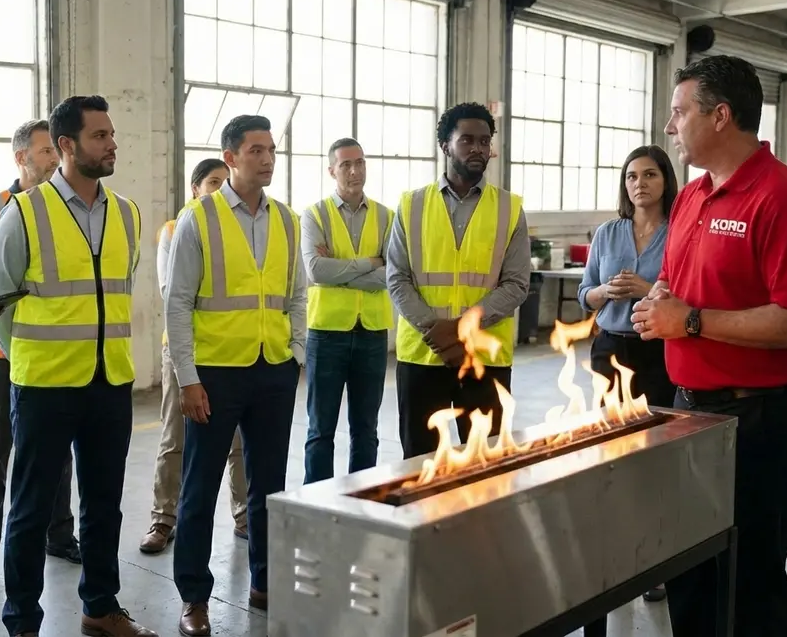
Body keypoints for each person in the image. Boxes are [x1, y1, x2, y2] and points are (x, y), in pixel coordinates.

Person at [631, 55, 787, 637]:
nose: (670, 126)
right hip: (690, 410)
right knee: (691, 570)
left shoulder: (783, 198)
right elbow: (678, 281)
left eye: (679, 112)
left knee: (749, 580)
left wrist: (689, 321)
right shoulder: (692, 196)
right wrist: (661, 303)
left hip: (759, 419)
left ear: (720, 116)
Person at [0, 95, 156, 637]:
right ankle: (22, 622)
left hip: (110, 382)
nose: (112, 144)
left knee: (104, 504)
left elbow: (118, 286)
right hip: (44, 388)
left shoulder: (126, 213)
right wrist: (34, 362)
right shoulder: (25, 213)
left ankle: (100, 607)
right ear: (66, 145)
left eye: (111, 134)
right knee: (32, 510)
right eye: (99, 135)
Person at [166, 115, 305, 637]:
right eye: (255, 150)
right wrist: (187, 377)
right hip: (216, 376)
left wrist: (296, 353)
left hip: (274, 371)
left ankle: (265, 582)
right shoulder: (197, 219)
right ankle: (194, 598)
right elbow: (176, 303)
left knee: (270, 487)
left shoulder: (288, 220)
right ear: (230, 158)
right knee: (199, 488)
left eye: (271, 150)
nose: (267, 158)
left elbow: (296, 296)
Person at [0, 119, 81, 587]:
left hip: (55, 357)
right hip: (2, 356)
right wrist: (7, 336)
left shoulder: (66, 210)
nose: (55, 157)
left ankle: (59, 534)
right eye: (46, 150)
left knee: (59, 453)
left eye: (57, 149)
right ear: (21, 158)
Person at [386, 102, 531, 459]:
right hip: (423, 355)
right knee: (419, 462)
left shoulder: (509, 208)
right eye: (467, 140)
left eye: (484, 141)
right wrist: (436, 330)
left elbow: (516, 284)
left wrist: (462, 328)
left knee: (486, 464)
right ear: (445, 145)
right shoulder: (411, 205)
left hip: (485, 356)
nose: (478, 149)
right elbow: (397, 277)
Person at [578, 144, 679, 604]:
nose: (640, 184)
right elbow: (585, 293)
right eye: (632, 177)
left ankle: (654, 561)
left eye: (650, 175)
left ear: (666, 181)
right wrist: (603, 291)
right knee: (614, 454)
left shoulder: (679, 233)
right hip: (609, 350)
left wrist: (645, 289)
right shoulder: (607, 233)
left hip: (658, 353)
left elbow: (685, 292)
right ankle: (615, 556)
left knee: (654, 457)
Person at [140, 158, 249, 555]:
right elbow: (175, 291)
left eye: (225, 182)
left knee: (237, 438)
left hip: (233, 351)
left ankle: (244, 515)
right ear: (194, 188)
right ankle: (162, 519)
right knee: (176, 435)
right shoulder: (176, 229)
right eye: (213, 183)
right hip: (185, 349)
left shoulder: (240, 229)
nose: (220, 189)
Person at [301, 138, 392, 483]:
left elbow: (392, 275)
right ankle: (317, 503)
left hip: (371, 333)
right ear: (331, 171)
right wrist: (371, 262)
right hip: (327, 333)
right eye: (345, 165)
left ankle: (361, 501)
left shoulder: (386, 216)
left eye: (360, 163)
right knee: (320, 429)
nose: (355, 171)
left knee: (366, 430)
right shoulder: (314, 214)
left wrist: (340, 270)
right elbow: (316, 271)